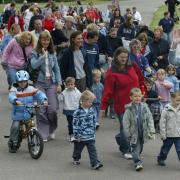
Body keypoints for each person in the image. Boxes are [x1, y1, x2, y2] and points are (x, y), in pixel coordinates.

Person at [101, 47, 146, 158]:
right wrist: (103, 107)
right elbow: (108, 91)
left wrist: (143, 92)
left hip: (136, 102)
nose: (124, 59)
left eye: (126, 57)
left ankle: (120, 138)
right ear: (116, 57)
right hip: (122, 105)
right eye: (122, 57)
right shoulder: (112, 72)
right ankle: (126, 149)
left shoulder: (133, 65)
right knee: (126, 127)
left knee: (135, 126)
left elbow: (140, 79)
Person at [30, 31, 62, 142]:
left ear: (50, 41)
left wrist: (59, 83)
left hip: (51, 83)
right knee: (41, 109)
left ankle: (51, 129)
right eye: (43, 40)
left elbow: (56, 69)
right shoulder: (35, 52)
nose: (45, 42)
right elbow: (33, 65)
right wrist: (43, 57)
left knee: (52, 109)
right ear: (40, 41)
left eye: (47, 40)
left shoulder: (52, 53)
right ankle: (43, 132)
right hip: (39, 83)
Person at [8, 70, 48, 153]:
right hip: (18, 114)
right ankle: (13, 142)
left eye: (24, 81)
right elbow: (11, 96)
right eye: (20, 82)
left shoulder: (31, 89)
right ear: (17, 81)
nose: (22, 83)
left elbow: (39, 94)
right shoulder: (14, 89)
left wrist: (44, 100)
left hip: (29, 113)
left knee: (31, 126)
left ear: (27, 81)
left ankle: (32, 140)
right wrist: (15, 100)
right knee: (15, 127)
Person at [123, 88, 155, 171]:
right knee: (135, 147)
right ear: (131, 97)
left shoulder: (145, 107)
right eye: (135, 96)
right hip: (134, 133)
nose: (137, 98)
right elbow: (125, 123)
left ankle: (136, 155)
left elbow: (150, 118)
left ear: (142, 96)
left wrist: (151, 129)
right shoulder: (128, 109)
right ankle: (137, 163)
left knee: (140, 147)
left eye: (139, 96)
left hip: (143, 131)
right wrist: (128, 134)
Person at [72, 90, 103, 170]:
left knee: (93, 150)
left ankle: (95, 163)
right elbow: (75, 124)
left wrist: (95, 126)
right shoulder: (77, 112)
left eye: (92, 102)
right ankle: (76, 157)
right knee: (78, 149)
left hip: (90, 135)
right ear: (83, 101)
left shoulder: (92, 110)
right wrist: (76, 134)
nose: (91, 103)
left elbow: (94, 120)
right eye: (90, 102)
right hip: (80, 136)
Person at [157, 91, 180, 166]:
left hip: (178, 135)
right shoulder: (166, 109)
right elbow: (162, 123)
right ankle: (161, 158)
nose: (179, 102)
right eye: (178, 100)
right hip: (168, 135)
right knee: (165, 150)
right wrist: (163, 134)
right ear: (172, 99)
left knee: (179, 150)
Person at [60, 77, 81, 142]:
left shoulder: (77, 92)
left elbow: (80, 99)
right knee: (70, 123)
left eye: (71, 84)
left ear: (74, 84)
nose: (70, 86)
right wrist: (59, 94)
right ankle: (71, 135)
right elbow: (60, 99)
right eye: (68, 85)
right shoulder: (64, 92)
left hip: (76, 109)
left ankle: (77, 135)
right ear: (66, 85)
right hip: (68, 110)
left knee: (76, 123)